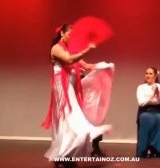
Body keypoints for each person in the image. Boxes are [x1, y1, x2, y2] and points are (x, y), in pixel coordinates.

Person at [41, 24, 111, 166]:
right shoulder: (56, 48)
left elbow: (86, 66)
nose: (71, 38)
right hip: (61, 86)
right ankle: (63, 155)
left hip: (70, 88)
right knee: (66, 119)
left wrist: (103, 66)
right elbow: (70, 60)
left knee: (72, 120)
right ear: (62, 33)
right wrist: (87, 50)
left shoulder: (69, 49)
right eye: (69, 34)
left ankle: (68, 155)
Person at [136, 67, 160, 158]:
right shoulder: (141, 87)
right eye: (146, 73)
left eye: (150, 73)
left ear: (155, 75)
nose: (148, 75)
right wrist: (151, 96)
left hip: (159, 111)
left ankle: (158, 150)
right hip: (146, 111)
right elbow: (141, 102)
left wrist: (159, 95)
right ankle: (145, 149)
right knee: (146, 118)